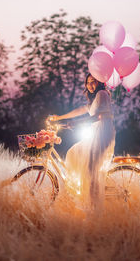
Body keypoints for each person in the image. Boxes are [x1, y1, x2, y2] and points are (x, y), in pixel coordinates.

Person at [49, 73, 115, 212]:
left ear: (101, 83)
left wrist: (75, 123)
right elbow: (80, 110)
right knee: (73, 153)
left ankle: (93, 208)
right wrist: (60, 118)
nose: (90, 85)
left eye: (94, 82)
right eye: (88, 82)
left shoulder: (102, 94)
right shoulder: (95, 98)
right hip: (96, 132)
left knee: (90, 170)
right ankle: (82, 193)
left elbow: (98, 116)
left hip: (102, 133)